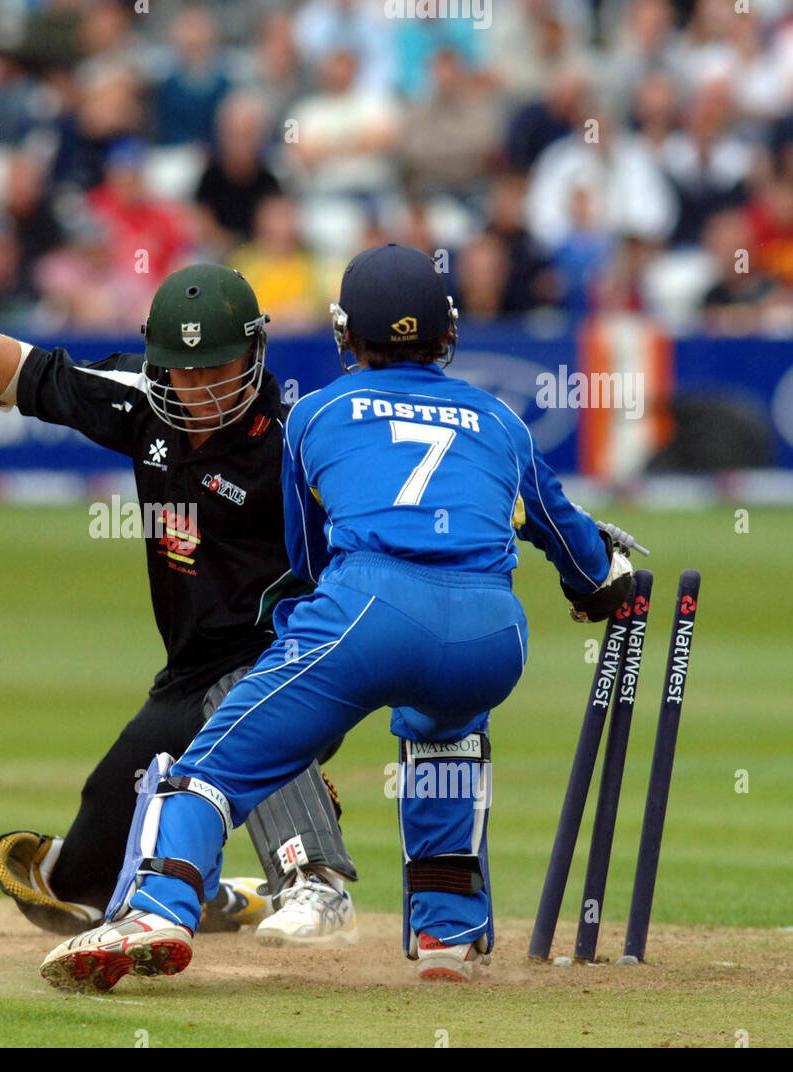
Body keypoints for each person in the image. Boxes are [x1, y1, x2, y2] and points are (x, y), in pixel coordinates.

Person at [38, 244, 636, 993]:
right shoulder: (502, 422)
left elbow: (309, 560)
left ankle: (158, 909)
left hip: (370, 608)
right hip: (494, 633)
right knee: (442, 734)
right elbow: (586, 560)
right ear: (446, 332)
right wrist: (602, 587)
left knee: (209, 764)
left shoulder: (314, 416)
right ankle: (447, 930)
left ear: (345, 335)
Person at [0, 263, 361, 947]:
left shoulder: (296, 441)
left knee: (250, 699)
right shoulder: (143, 401)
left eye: (217, 369)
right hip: (190, 674)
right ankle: (212, 894)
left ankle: (315, 883)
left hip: (291, 661)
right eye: (183, 370)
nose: (198, 388)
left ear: (254, 355)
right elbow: (33, 374)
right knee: (75, 882)